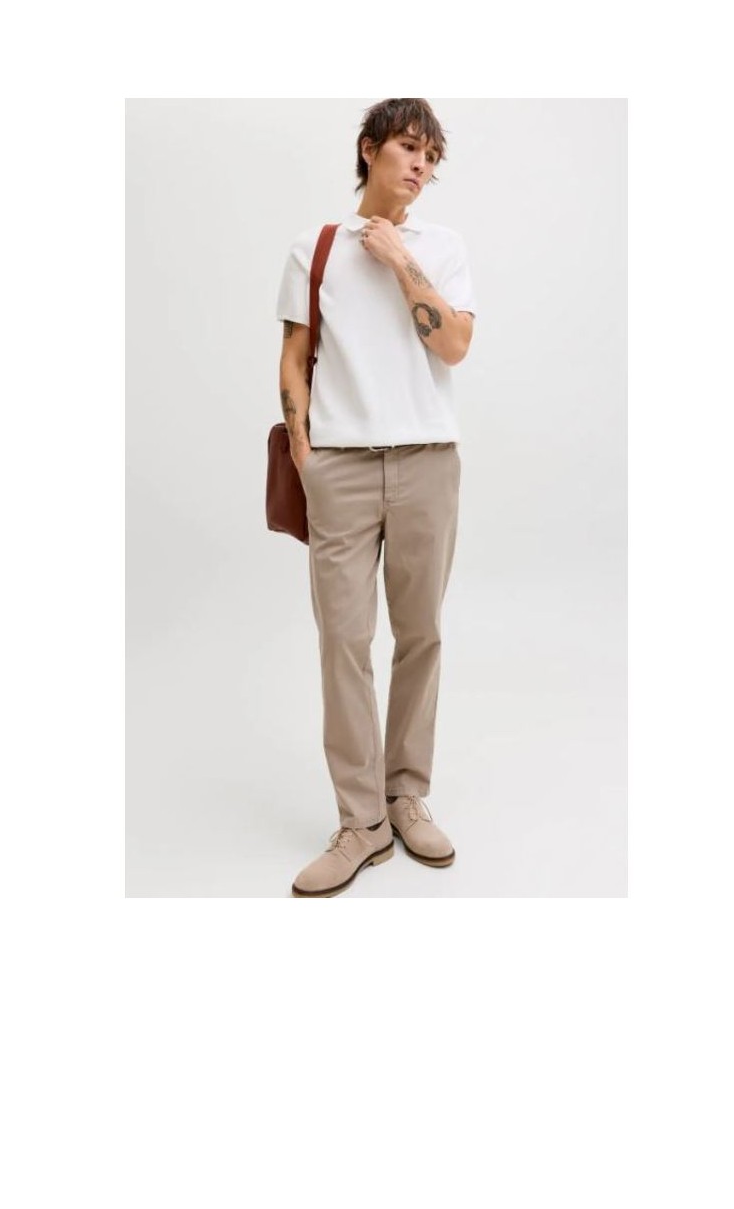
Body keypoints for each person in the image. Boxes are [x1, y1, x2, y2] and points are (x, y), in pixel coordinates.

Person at [276, 98, 478, 898]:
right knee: (344, 642)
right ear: (369, 149)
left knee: (420, 634)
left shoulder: (442, 247)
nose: (421, 165)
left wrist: (399, 259)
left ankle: (405, 796)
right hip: (341, 467)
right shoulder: (315, 247)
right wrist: (305, 451)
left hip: (428, 461)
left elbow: (454, 345)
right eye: (408, 147)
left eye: (431, 155)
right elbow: (294, 355)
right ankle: (360, 822)